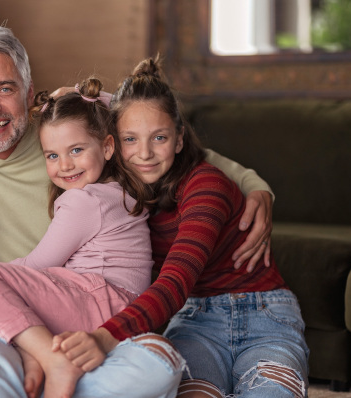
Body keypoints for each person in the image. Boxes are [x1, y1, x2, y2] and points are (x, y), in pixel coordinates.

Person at [0, 24, 275, 397]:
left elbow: (157, 143)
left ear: (28, 91)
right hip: (0, 320)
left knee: (158, 365)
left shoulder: (66, 138)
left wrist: (252, 184)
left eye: (6, 89)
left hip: (83, 312)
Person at [59, 56, 308, 398]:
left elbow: (175, 282)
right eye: (130, 139)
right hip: (195, 322)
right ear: (112, 143)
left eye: (158, 138)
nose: (144, 153)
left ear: (178, 140)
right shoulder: (118, 195)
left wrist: (103, 338)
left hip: (265, 316)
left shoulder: (206, 185)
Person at [0, 77, 184, 398]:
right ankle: (36, 351)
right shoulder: (116, 190)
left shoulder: (86, 201)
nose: (64, 165)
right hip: (107, 306)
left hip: (101, 303)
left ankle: (48, 357)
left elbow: (38, 265)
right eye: (52, 155)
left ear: (108, 146)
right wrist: (86, 97)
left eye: (76, 150)